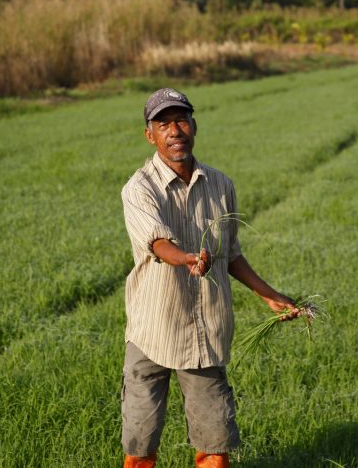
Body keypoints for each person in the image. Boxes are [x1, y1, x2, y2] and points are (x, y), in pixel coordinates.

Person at [120, 88, 300, 468]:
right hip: (153, 328)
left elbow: (230, 253)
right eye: (163, 124)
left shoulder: (221, 185)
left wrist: (269, 295)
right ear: (149, 135)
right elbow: (156, 242)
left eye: (181, 120)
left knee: (215, 444)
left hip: (204, 333)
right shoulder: (138, 189)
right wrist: (185, 258)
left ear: (194, 125)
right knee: (140, 444)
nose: (175, 131)